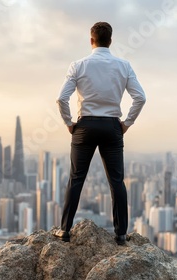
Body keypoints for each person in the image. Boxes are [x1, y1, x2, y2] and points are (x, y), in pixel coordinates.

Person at [54, 22, 146, 245]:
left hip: (84, 126)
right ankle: (121, 234)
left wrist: (69, 123)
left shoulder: (78, 65)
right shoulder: (124, 65)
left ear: (91, 40)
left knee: (76, 179)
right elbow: (140, 97)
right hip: (112, 127)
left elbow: (61, 98)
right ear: (111, 41)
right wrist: (127, 123)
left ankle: (65, 230)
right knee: (116, 182)